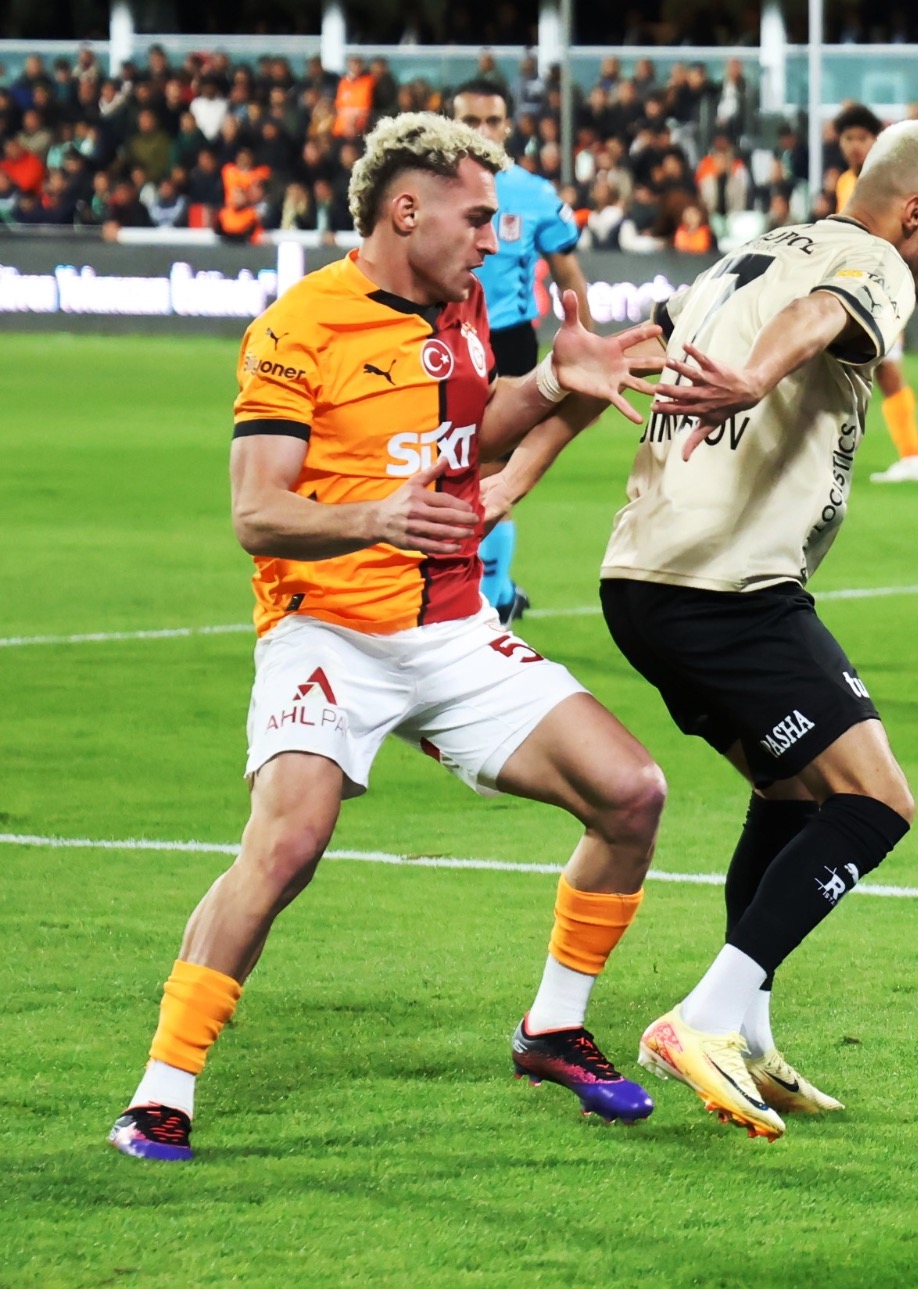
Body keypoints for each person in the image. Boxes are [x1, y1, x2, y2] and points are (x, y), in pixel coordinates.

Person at [108, 113, 670, 1164]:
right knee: (287, 842)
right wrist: (374, 516)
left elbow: (471, 424)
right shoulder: (298, 329)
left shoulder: (455, 307)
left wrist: (555, 386)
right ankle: (160, 1089)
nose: (494, 240)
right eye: (477, 217)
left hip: (451, 624)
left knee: (632, 792)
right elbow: (256, 512)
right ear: (404, 211)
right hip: (327, 627)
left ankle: (552, 1028)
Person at [484, 120, 918, 1142]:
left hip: (644, 578)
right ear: (915, 208)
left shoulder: (745, 257)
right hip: (729, 588)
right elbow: (820, 313)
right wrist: (757, 378)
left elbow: (625, 359)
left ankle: (745, 1027)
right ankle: (702, 1017)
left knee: (792, 792)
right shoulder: (872, 258)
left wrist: (516, 474)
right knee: (875, 800)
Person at [451, 81, 594, 628]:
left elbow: (567, 273)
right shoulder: (431, 188)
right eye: (470, 120)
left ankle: (491, 593)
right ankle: (493, 584)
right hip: (443, 335)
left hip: (506, 339)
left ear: (507, 127)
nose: (481, 132)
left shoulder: (534, 195)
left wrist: (588, 343)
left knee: (489, 467)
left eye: (492, 121)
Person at [833, 104, 918, 483]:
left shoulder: (891, 181)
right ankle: (910, 457)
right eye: (848, 138)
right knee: (873, 374)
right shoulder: (845, 182)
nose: (855, 146)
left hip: (882, 289)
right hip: (852, 286)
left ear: (876, 140)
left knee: (879, 373)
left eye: (862, 138)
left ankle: (911, 457)